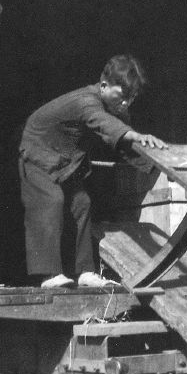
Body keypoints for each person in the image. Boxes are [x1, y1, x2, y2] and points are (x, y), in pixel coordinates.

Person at [19, 54, 167, 288]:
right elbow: (106, 125)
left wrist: (156, 163)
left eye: (131, 98)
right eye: (122, 96)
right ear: (104, 85)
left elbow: (118, 140)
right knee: (52, 201)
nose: (126, 104)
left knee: (82, 204)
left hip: (64, 162)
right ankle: (49, 275)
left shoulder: (115, 106)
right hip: (38, 154)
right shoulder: (87, 102)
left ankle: (86, 272)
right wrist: (137, 135)